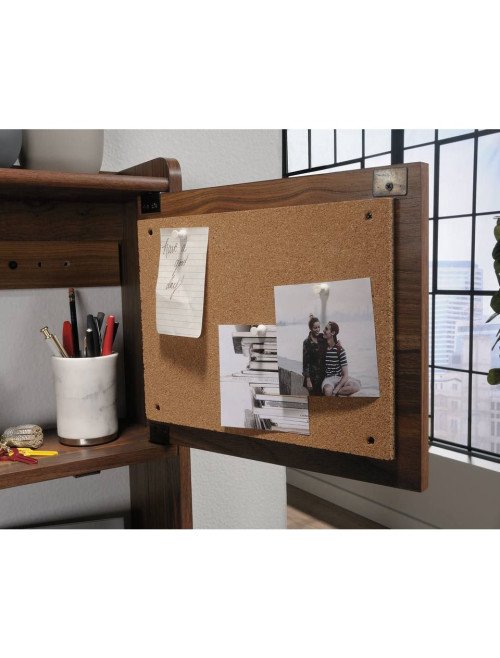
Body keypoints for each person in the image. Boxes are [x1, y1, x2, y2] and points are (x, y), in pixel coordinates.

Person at [321, 321, 360, 396]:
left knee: (355, 387)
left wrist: (336, 389)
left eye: (326, 329)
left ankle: (337, 392)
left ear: (332, 333)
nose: (323, 330)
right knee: (327, 390)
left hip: (340, 378)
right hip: (328, 379)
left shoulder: (340, 350)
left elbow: (345, 375)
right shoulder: (322, 348)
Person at [302, 315, 325, 396]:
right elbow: (306, 363)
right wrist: (308, 380)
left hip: (323, 377)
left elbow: (332, 340)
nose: (317, 330)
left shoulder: (322, 338)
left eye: (319, 327)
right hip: (312, 379)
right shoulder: (307, 342)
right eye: (315, 328)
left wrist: (338, 344)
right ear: (310, 328)